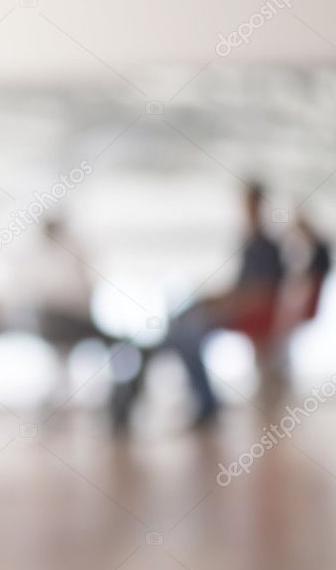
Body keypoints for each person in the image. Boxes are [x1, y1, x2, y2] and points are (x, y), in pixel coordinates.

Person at [110, 182, 286, 430]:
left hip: (253, 314)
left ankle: (206, 404)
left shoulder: (268, 247)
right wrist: (209, 299)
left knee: (188, 335)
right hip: (239, 307)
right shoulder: (248, 242)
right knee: (181, 325)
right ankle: (185, 394)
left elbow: (260, 294)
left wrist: (222, 306)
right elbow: (240, 287)